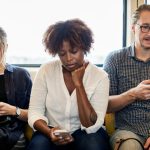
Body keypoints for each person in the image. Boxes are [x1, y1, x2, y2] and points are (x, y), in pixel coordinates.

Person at [27, 18, 110, 150]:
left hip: (86, 133)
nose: (69, 59)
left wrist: (79, 85)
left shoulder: (100, 76)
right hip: (52, 130)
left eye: (74, 51)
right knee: (38, 146)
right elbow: (34, 113)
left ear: (84, 47)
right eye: (62, 54)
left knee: (93, 145)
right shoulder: (46, 70)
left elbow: (90, 125)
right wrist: (50, 132)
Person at [103, 4, 150, 150]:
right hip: (128, 132)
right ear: (133, 27)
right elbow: (104, 105)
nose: (149, 33)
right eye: (145, 27)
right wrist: (133, 94)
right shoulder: (115, 59)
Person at [0, 27, 32, 150]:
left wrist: (13, 110)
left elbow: (35, 114)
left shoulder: (21, 75)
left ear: (6, 47)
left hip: (12, 133)